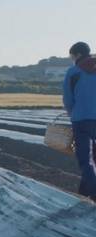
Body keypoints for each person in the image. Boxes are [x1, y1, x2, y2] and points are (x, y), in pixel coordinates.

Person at [63, 42, 96, 201]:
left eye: (72, 56)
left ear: (77, 55)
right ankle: (83, 193)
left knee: (85, 158)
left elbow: (68, 98)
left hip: (81, 119)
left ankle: (94, 193)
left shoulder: (73, 71)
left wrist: (71, 112)